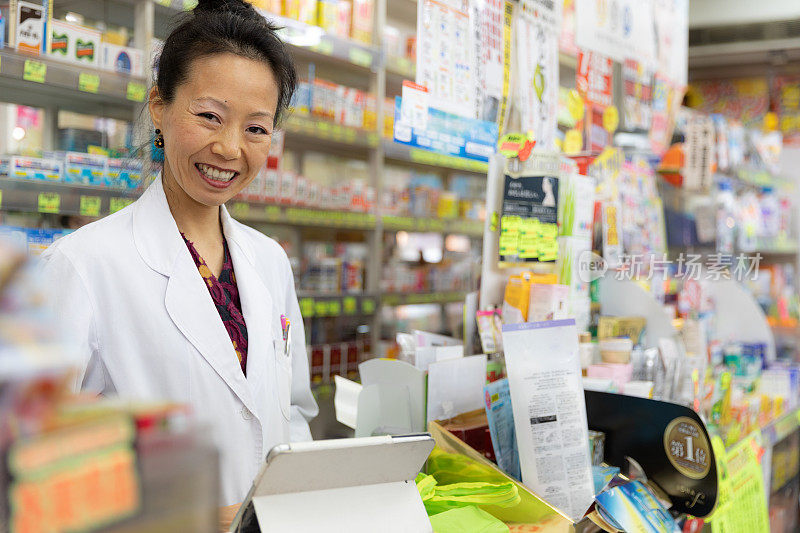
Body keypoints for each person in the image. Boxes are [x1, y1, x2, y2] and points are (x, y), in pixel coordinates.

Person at [40, 0, 318, 519]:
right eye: (209, 116)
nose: (230, 148)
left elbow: (293, 415)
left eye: (256, 128)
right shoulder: (81, 265)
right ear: (160, 107)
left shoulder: (269, 261)